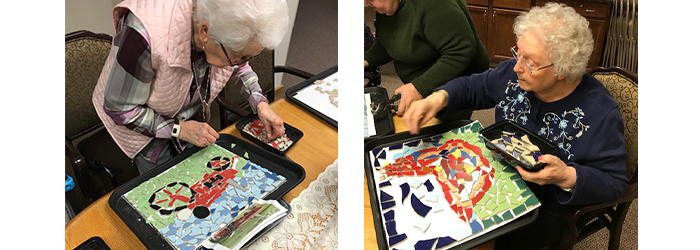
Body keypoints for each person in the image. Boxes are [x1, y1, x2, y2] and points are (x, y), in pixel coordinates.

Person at [402, 3, 628, 249]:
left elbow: (615, 183)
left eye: (529, 61)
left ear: (563, 69)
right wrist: (439, 98)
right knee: (429, 204)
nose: (517, 67)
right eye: (517, 53)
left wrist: (566, 175)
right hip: (493, 174)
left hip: (542, 206)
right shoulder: (513, 72)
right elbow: (473, 86)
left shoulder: (600, 114)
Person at [92, 0, 289, 174]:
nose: (241, 62)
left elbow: (239, 63)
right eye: (240, 56)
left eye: (248, 56)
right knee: (168, 188)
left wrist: (260, 103)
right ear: (205, 32)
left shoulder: (223, 33)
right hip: (137, 122)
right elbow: (121, 110)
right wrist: (179, 129)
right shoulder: (142, 34)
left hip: (182, 110)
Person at [364, 0, 490, 117]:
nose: (365, 4)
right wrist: (366, 60)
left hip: (454, 85)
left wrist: (419, 87)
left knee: (446, 135)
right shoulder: (386, 5)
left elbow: (461, 50)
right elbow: (388, 40)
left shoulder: (434, 4)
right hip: (424, 84)